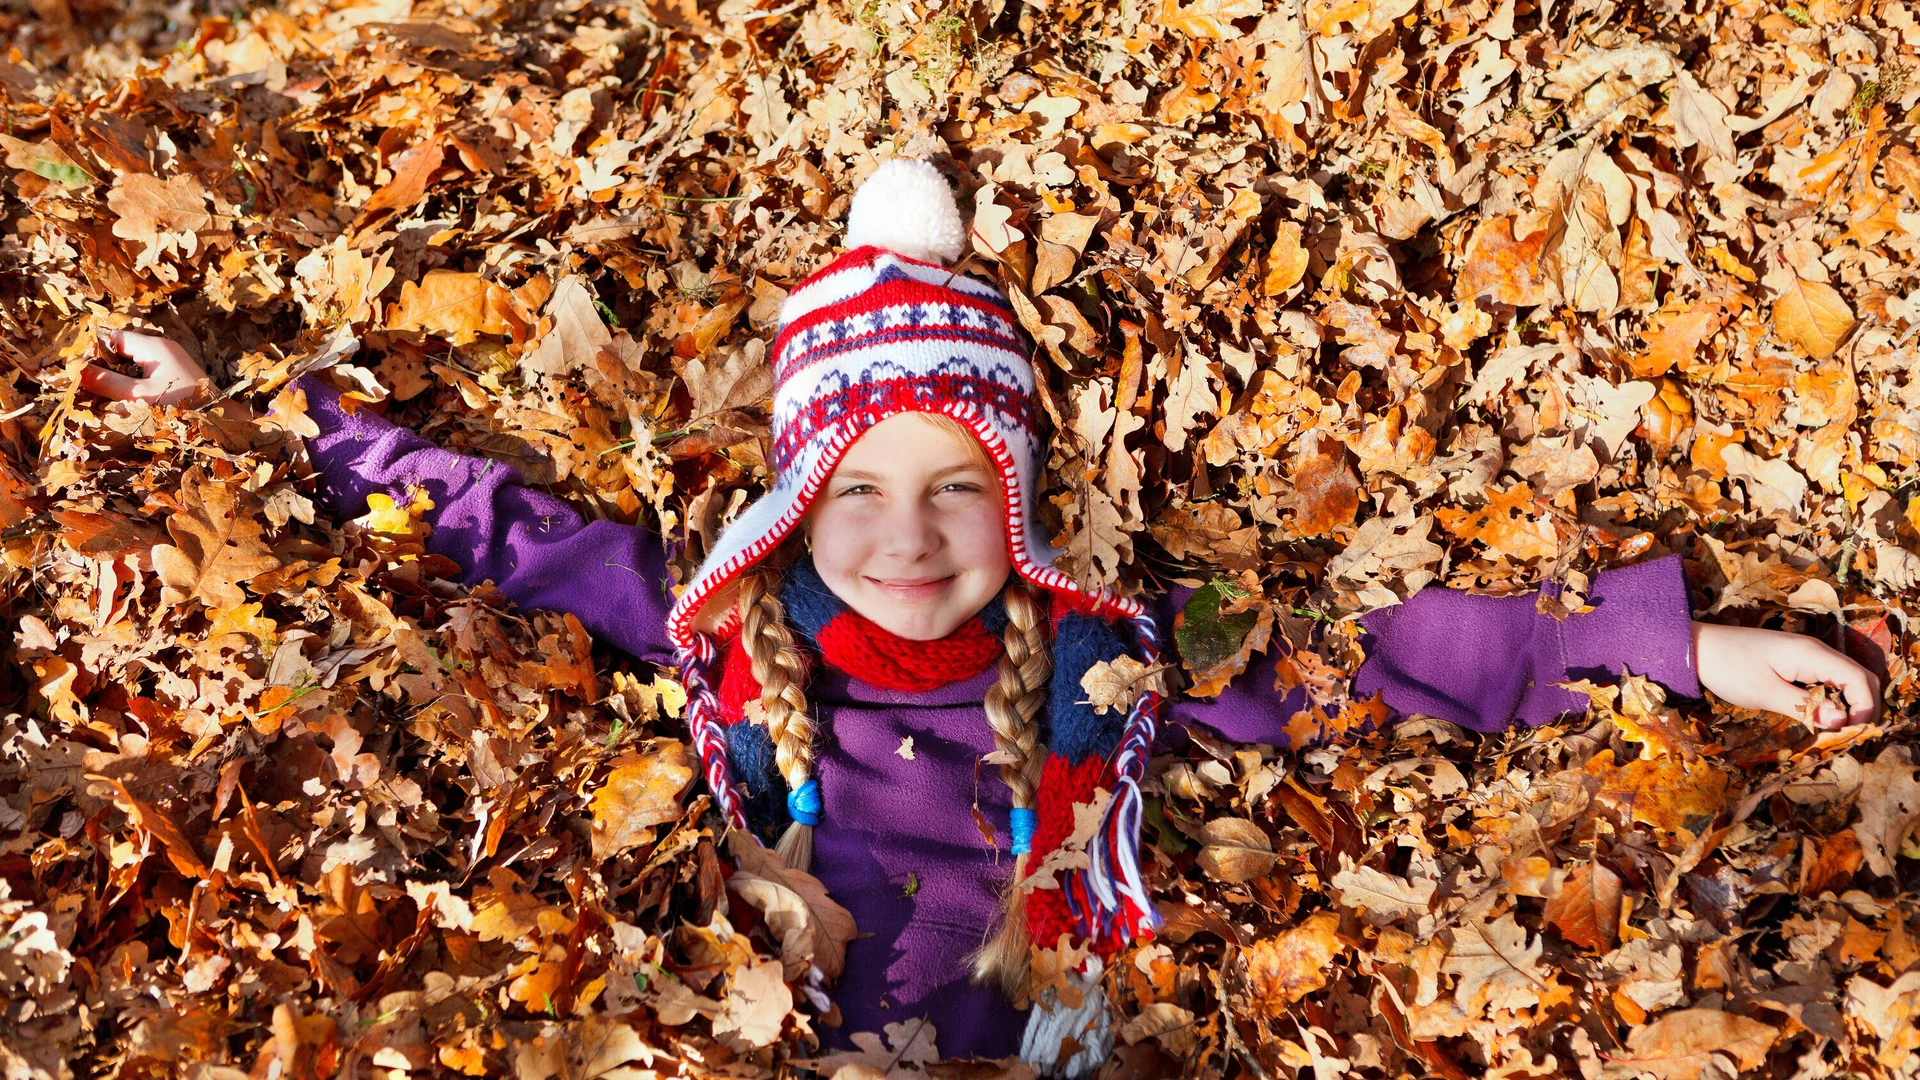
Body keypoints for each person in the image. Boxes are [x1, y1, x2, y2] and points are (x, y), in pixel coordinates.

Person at [83, 160, 1881, 1075]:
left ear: (1018, 502)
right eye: (857, 488)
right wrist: (257, 418)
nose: (907, 533)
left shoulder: (1110, 663)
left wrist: (1683, 648)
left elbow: (1401, 659)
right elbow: (509, 533)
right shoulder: (731, 630)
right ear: (797, 499)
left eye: (958, 487)